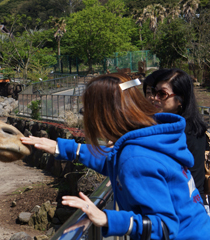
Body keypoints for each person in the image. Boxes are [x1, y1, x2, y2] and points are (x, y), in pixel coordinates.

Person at [21, 73, 210, 239]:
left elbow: (165, 227)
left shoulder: (135, 157)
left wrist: (107, 219)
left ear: (104, 114)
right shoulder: (153, 136)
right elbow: (115, 161)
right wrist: (65, 149)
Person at [150, 69, 208, 204]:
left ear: (181, 99)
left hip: (186, 207)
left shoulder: (189, 131)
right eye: (154, 91)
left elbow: (193, 179)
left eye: (162, 94)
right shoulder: (163, 125)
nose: (155, 98)